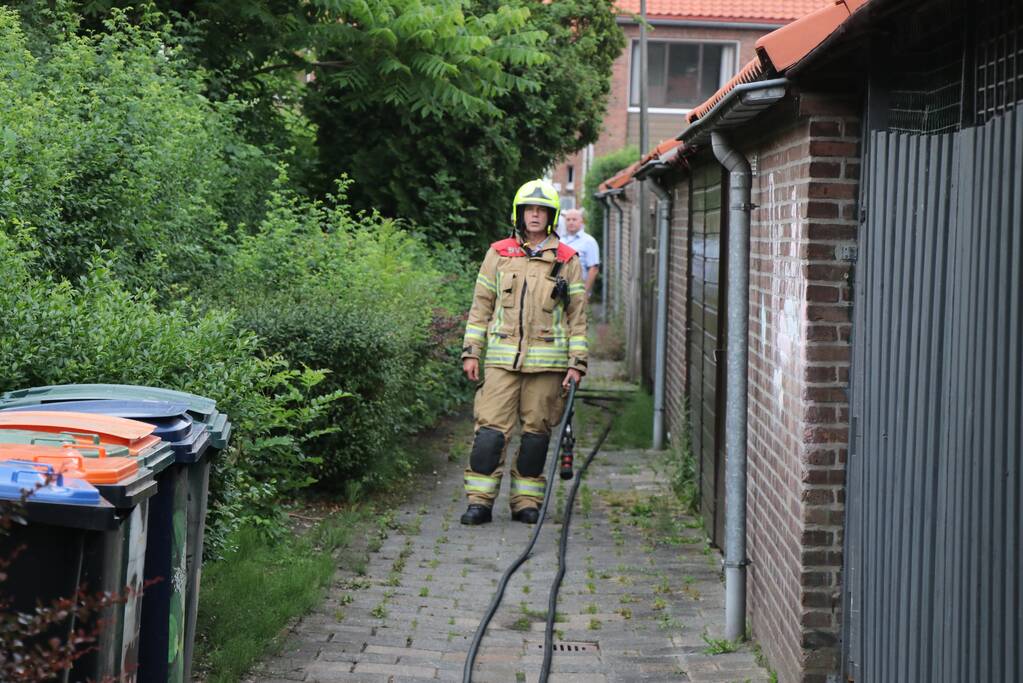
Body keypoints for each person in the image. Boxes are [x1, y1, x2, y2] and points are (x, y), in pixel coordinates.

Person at [460, 179, 588, 525]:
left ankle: (525, 503)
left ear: (551, 215)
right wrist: (472, 351)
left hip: (547, 368)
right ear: (519, 213)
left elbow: (578, 317)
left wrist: (576, 364)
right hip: (501, 362)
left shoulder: (567, 260)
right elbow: (481, 306)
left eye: (541, 209)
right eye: (529, 209)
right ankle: (479, 503)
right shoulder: (499, 253)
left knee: (535, 439)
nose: (534, 215)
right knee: (489, 435)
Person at [559, 209, 600, 299]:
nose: (571, 222)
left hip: (579, 295)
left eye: (574, 219)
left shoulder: (589, 241)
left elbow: (593, 269)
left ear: (581, 221)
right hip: (560, 295)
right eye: (568, 219)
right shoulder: (560, 241)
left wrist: (586, 294)